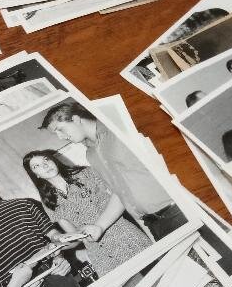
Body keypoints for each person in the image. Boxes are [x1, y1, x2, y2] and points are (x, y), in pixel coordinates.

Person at [42, 101, 186, 240]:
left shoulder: (117, 127)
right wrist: (99, 226)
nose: (61, 137)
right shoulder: (90, 155)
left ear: (76, 119)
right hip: (154, 224)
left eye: (60, 130)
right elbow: (120, 193)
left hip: (177, 210)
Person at [22, 150, 152, 276]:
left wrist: (99, 227)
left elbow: (120, 197)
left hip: (127, 239)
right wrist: (58, 246)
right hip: (101, 258)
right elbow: (76, 238)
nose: (45, 165)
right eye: (36, 166)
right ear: (35, 175)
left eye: (46, 159)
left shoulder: (86, 173)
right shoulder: (48, 201)